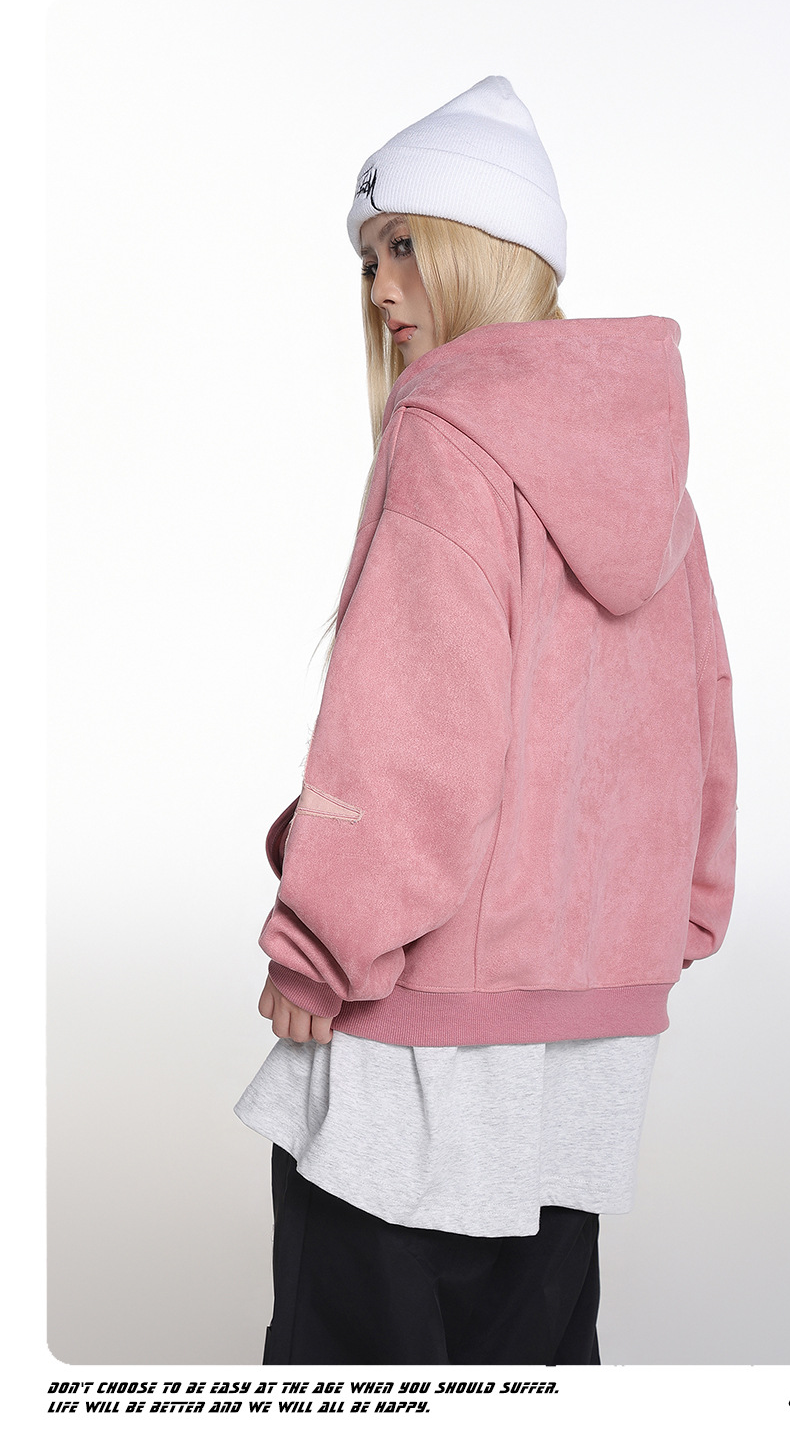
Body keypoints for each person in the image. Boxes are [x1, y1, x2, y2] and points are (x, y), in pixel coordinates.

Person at [235, 74, 737, 1367]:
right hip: (588, 1025)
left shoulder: (447, 432)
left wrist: (319, 945)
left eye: (404, 245)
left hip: (421, 1018)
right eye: (367, 261)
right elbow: (698, 713)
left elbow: (408, 731)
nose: (380, 290)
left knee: (357, 1379)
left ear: (491, 243)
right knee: (534, 1370)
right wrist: (677, 911)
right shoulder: (651, 465)